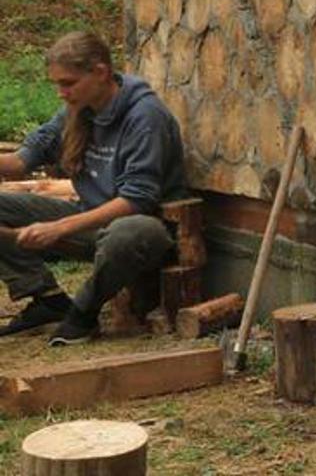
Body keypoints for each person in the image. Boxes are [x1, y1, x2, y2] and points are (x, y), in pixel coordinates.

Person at [0, 32, 185, 344]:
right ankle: (47, 300)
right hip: (90, 222)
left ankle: (83, 314)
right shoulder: (78, 108)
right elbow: (21, 161)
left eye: (68, 83)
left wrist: (58, 228)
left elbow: (137, 199)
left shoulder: (145, 116)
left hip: (144, 232)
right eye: (57, 84)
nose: (61, 93)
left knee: (130, 232)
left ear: (100, 72)